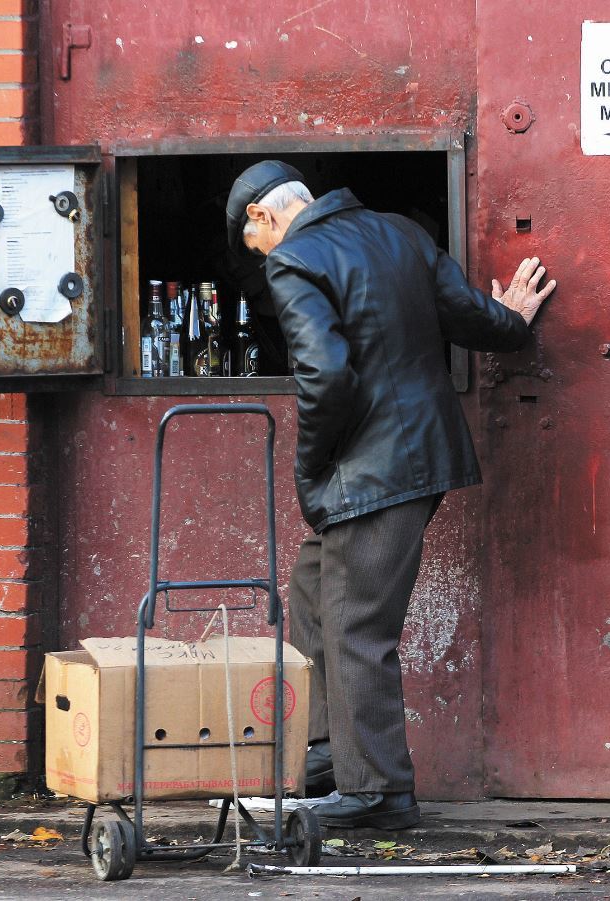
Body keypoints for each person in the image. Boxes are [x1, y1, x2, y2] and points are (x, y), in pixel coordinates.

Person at [226, 160, 556, 830]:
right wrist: (513, 322)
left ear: (261, 216)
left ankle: (378, 792)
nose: (257, 255)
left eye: (250, 241)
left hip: (370, 469)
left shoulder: (293, 259)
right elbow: (468, 314)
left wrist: (312, 469)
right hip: (417, 455)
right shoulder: (399, 234)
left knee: (356, 627)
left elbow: (325, 375)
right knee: (315, 585)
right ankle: (330, 753)